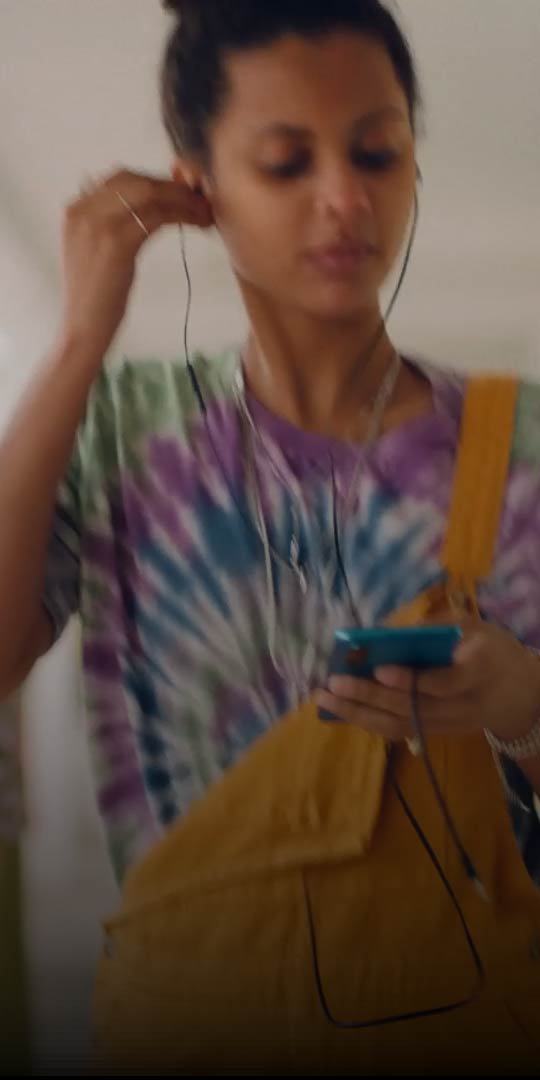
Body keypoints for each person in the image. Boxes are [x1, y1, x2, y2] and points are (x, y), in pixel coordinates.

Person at [1, 1, 539, 1072]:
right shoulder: (117, 433)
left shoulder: (516, 443)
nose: (346, 197)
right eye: (287, 162)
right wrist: (78, 342)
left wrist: (525, 704)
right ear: (196, 189)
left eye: (376, 152)